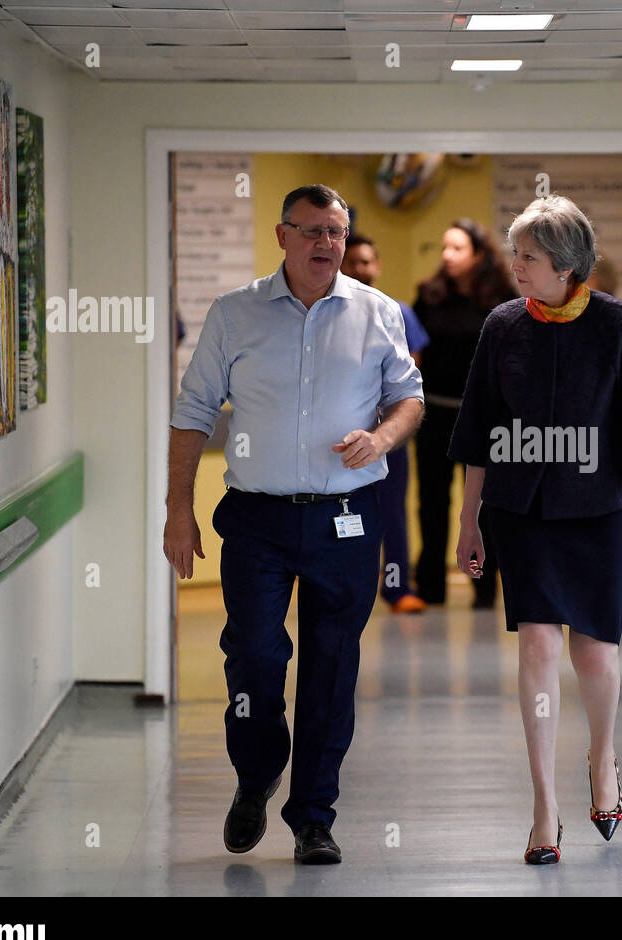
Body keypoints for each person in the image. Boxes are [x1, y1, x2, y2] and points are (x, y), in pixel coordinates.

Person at [163, 184, 424, 864]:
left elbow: (409, 398)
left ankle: (313, 814)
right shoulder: (235, 314)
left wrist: (384, 438)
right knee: (253, 654)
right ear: (282, 236)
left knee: (332, 668)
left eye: (335, 231)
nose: (325, 243)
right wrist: (176, 510)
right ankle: (257, 774)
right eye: (310, 230)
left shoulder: (378, 314)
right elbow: (192, 411)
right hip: (257, 518)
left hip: (346, 517)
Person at [449, 195, 622, 865]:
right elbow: (479, 432)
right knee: (539, 649)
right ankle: (544, 806)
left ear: (567, 265)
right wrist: (469, 521)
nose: (516, 267)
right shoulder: (502, 325)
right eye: (516, 254)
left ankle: (602, 758)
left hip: (598, 509)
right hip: (522, 512)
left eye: (529, 257)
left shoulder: (617, 325)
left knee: (596, 654)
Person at [413, 219, 518, 609]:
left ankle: (485, 586)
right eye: (444, 247)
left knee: (483, 504)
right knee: (432, 501)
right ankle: (430, 587)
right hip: (436, 412)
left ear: (478, 255)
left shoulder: (501, 298)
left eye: (457, 248)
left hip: (484, 419)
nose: (447, 255)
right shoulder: (430, 294)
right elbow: (415, 354)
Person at [341, 232, 429, 614]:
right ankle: (342, 588)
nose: (360, 269)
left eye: (366, 261)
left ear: (376, 266)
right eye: (353, 262)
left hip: (388, 433)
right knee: (344, 512)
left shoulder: (397, 312)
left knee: (392, 512)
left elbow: (409, 374)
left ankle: (397, 587)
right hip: (340, 434)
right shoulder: (327, 313)